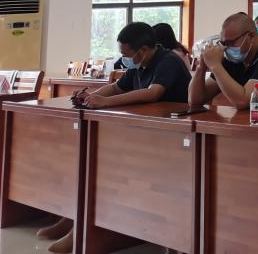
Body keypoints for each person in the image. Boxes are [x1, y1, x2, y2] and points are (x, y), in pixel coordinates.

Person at [42, 23, 193, 254]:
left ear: (143, 50)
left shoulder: (168, 61)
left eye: (127, 55)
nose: (125, 60)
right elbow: (117, 87)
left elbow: (153, 93)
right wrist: (90, 96)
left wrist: (105, 103)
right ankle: (73, 218)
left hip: (170, 141)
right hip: (144, 135)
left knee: (104, 164)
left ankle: (81, 226)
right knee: (89, 159)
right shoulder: (140, 63)